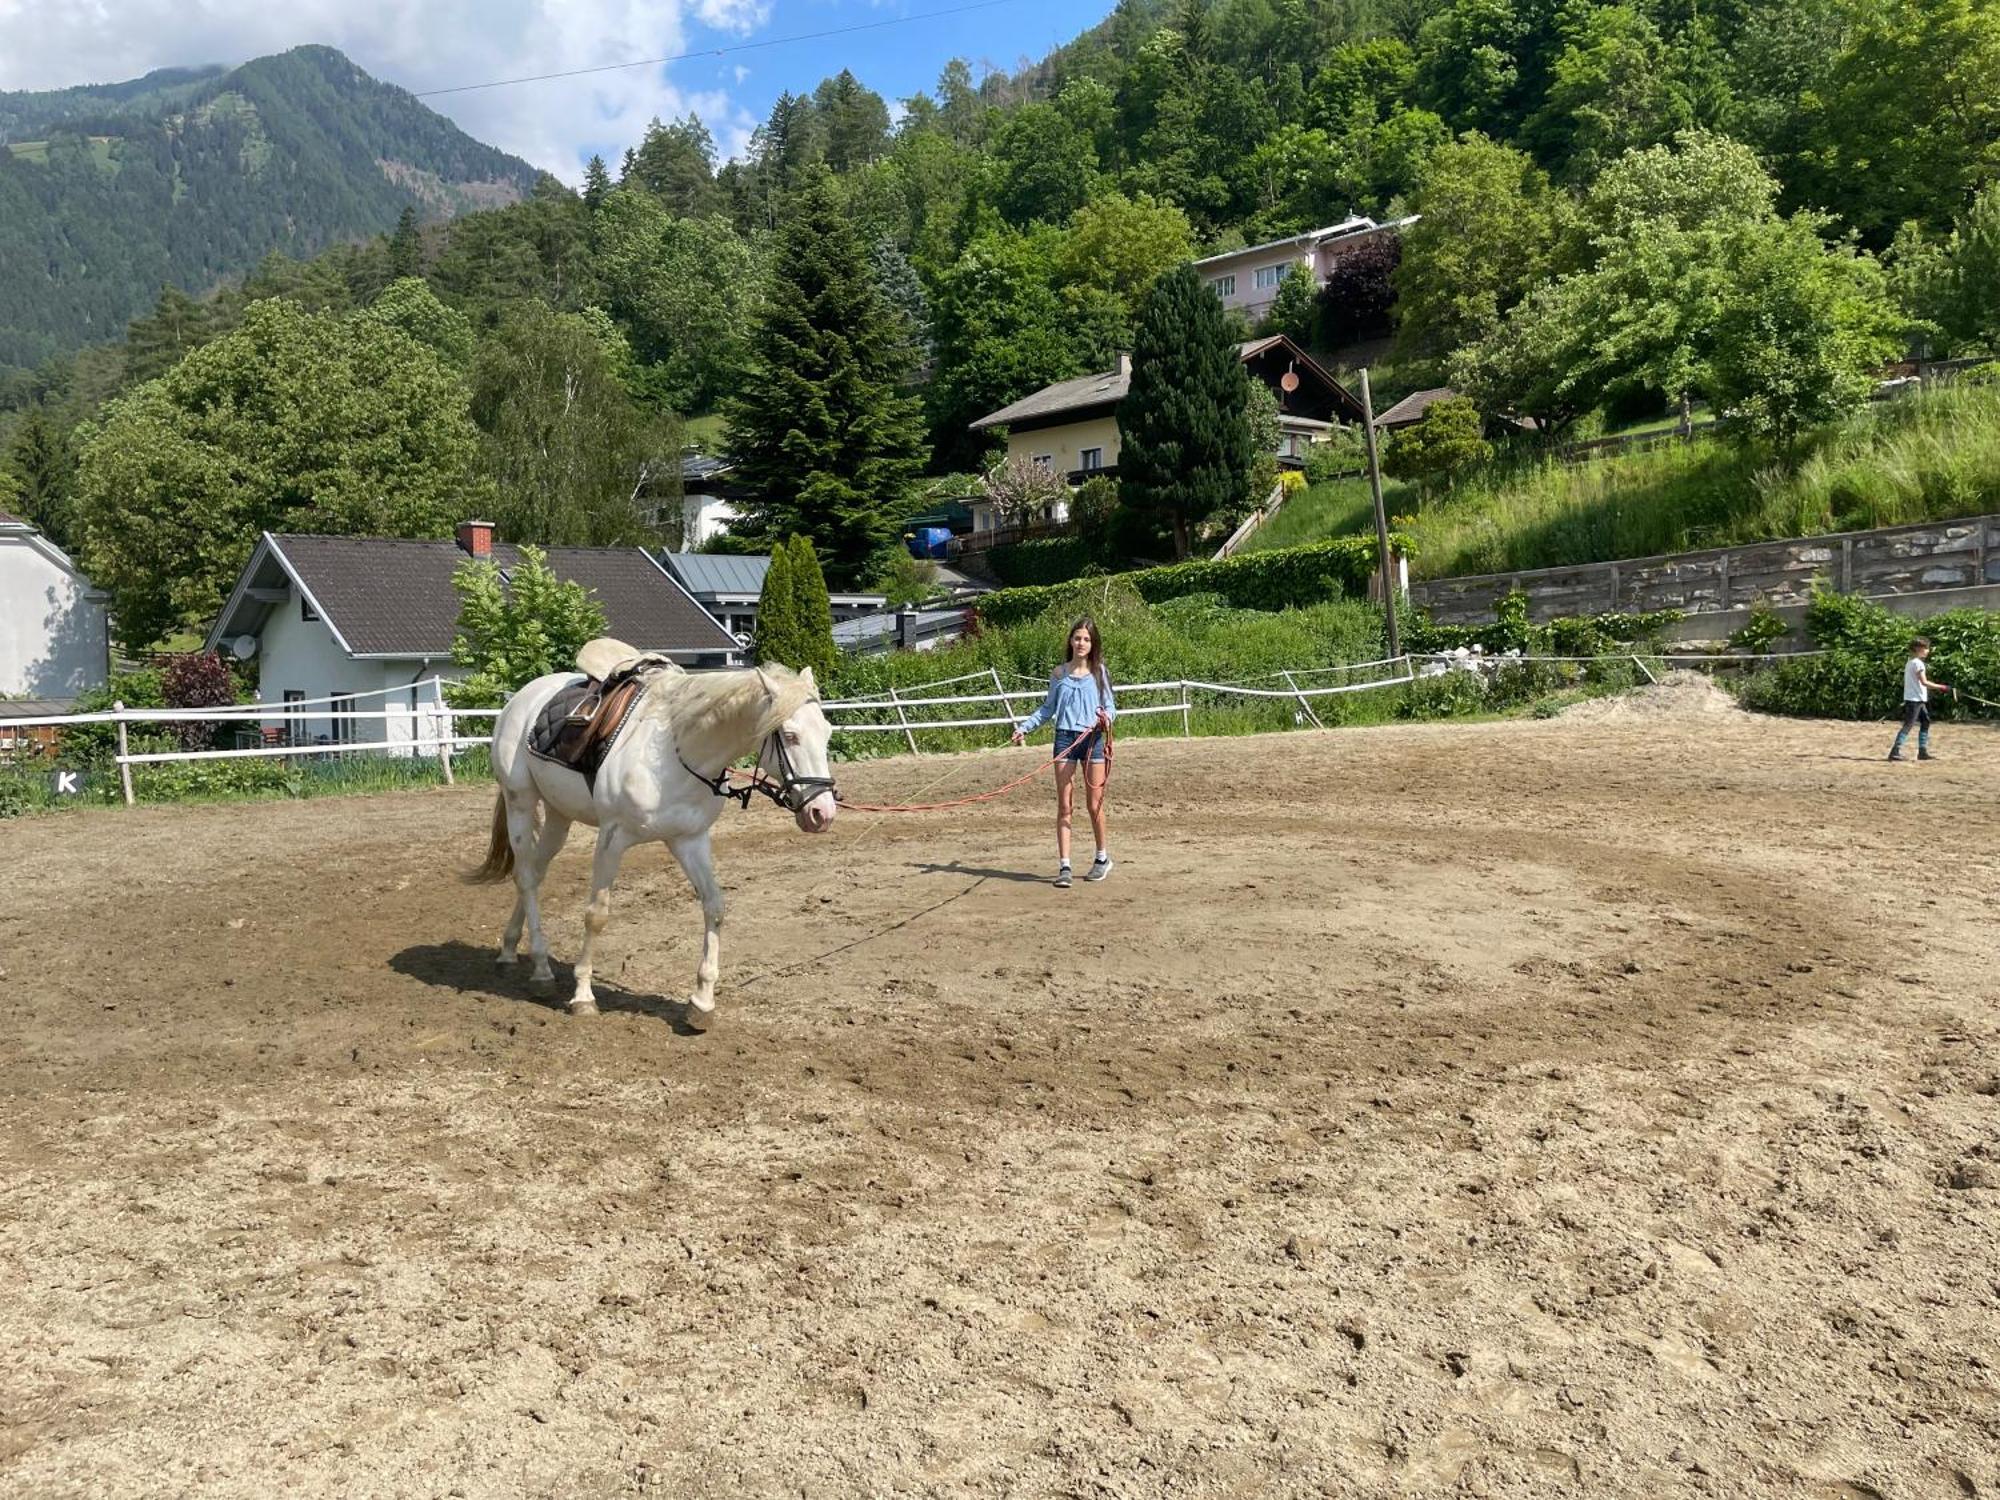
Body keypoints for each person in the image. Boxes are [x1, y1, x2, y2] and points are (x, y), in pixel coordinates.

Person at [1012, 617, 1116, 887]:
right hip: (1064, 739)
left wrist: (1106, 719)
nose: (1081, 643)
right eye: (1077, 638)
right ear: (1070, 641)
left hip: (1092, 739)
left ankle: (1102, 858)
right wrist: (1025, 728)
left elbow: (1111, 707)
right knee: (1065, 805)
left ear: (1093, 644)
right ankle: (1065, 866)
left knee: (1095, 804)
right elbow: (1048, 709)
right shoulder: (1059, 674)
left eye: (1086, 639)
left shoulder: (1100, 673)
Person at [1888, 636, 1953, 762]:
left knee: (1926, 722)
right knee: (1909, 725)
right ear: (1918, 649)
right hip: (1915, 699)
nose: (1928, 651)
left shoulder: (1910, 662)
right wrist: (1943, 687)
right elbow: (1924, 682)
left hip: (1917, 699)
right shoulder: (1918, 664)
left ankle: (1922, 752)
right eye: (1926, 648)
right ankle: (1894, 752)